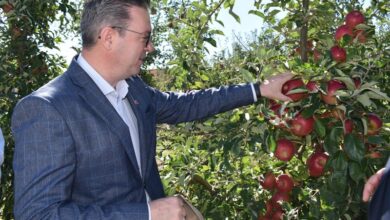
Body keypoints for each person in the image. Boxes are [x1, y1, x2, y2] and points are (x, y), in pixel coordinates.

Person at [11, 0, 293, 219]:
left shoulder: (134, 90)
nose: (151, 47)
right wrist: (146, 214)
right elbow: (38, 214)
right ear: (109, 37)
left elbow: (187, 105)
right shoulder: (48, 109)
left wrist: (259, 89)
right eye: (144, 38)